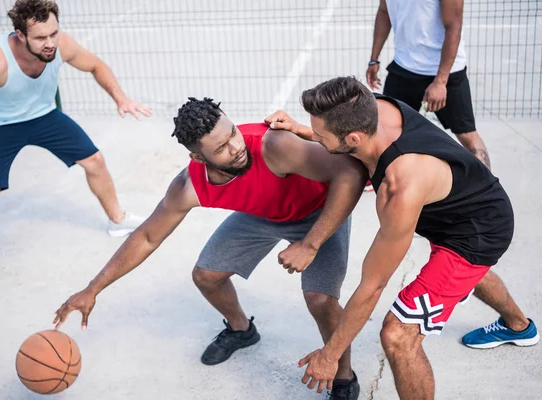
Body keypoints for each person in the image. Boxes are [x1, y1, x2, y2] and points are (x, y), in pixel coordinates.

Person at [54, 97, 368, 400]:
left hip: (320, 211)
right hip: (265, 215)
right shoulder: (189, 186)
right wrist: (93, 289)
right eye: (221, 148)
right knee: (206, 276)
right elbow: (147, 237)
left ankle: (343, 376)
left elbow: (351, 174)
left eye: (232, 133)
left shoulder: (273, 146)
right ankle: (241, 330)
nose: (236, 147)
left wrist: (311, 244)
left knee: (320, 299)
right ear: (199, 158)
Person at [267, 77, 538, 399]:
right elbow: (346, 140)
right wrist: (304, 130)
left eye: (322, 137)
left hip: (475, 234)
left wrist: (330, 354)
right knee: (467, 276)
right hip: (469, 200)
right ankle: (518, 325)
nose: (319, 142)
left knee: (398, 335)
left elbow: (373, 286)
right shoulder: (372, 107)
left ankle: (513, 321)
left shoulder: (399, 189)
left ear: (353, 137)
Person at [0, 0, 149, 293]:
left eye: (53, 33)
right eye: (41, 38)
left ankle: (117, 219)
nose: (50, 43)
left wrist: (121, 98)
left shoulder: (60, 43)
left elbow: (96, 65)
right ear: (20, 35)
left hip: (42, 115)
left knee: (95, 161)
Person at [366, 0, 491, 169]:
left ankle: (487, 192)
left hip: (444, 72)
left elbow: (454, 26)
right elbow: (384, 13)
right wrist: (374, 58)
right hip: (404, 67)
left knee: (467, 135)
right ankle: (388, 181)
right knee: (384, 130)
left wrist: (440, 82)